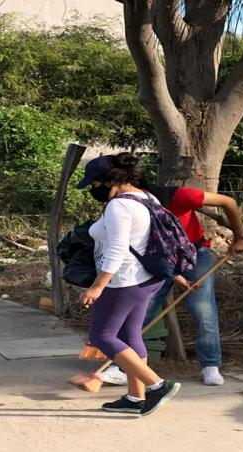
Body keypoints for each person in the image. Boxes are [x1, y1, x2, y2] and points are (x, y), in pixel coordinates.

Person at [98, 173, 243, 387]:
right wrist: (173, 276)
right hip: (158, 260)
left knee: (203, 309)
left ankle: (210, 365)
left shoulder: (177, 196)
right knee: (142, 310)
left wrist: (240, 237)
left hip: (195, 255)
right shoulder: (128, 205)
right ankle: (123, 366)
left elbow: (228, 202)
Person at [75, 153, 182, 416]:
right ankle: (135, 398)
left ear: (110, 179)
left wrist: (98, 286)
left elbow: (118, 248)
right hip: (146, 278)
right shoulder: (146, 197)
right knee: (129, 336)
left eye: (95, 184)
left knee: (103, 335)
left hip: (124, 280)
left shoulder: (119, 206)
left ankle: (156, 385)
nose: (93, 189)